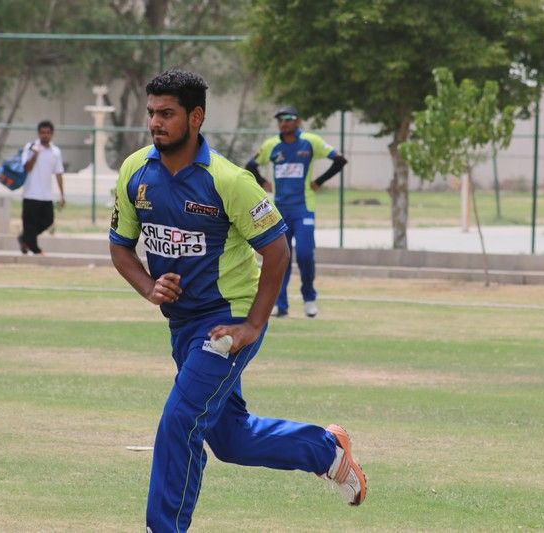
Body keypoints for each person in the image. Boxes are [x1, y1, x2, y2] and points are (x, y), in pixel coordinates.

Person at [109, 70, 366, 532]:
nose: (155, 123)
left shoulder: (229, 180)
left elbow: (277, 250)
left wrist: (252, 325)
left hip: (226, 323)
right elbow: (119, 247)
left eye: (167, 113)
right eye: (151, 113)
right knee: (230, 439)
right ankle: (326, 451)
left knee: (180, 421)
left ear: (196, 117)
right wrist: (148, 287)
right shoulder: (135, 172)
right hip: (182, 325)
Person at [246, 107, 347, 318]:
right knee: (279, 257)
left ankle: (309, 298)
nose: (284, 123)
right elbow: (250, 165)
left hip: (303, 209)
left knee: (304, 254)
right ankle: (280, 304)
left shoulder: (310, 141)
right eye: (280, 119)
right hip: (279, 211)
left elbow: (339, 160)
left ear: (298, 121)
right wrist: (263, 182)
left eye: (289, 118)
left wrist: (319, 181)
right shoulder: (271, 145)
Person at [17, 120, 65, 255]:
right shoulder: (30, 147)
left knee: (48, 221)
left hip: (46, 195)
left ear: (52, 134)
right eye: (42, 132)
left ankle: (24, 238)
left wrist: (62, 194)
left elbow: (59, 173)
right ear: (38, 133)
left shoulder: (55, 152)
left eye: (48, 133)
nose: (45, 135)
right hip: (30, 194)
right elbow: (27, 168)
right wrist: (35, 155)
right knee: (30, 224)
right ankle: (35, 249)